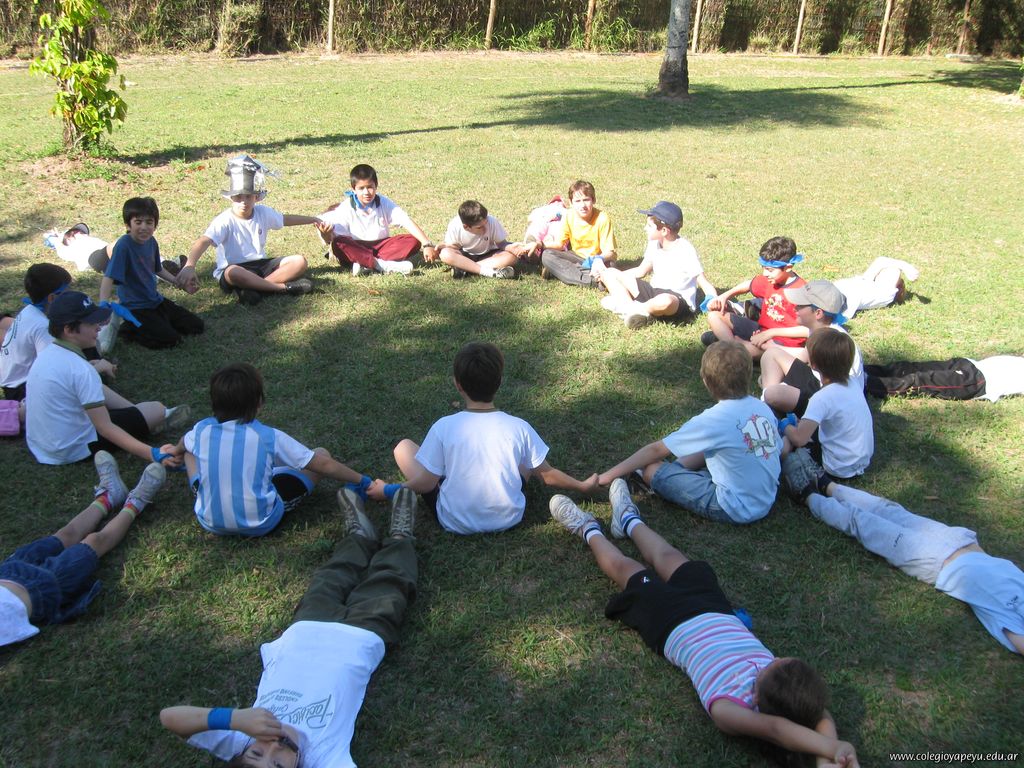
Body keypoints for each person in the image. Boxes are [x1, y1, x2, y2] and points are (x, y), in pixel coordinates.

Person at [547, 482, 860, 766]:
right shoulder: (787, 691)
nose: (773, 657)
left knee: (625, 568)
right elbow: (819, 715)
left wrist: (832, 750)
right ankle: (628, 520)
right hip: (715, 609)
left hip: (670, 623)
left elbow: (776, 729)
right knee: (668, 555)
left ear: (756, 700)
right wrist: (828, 755)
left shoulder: (730, 709)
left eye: (772, 664)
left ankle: (587, 528)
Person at [159, 487, 419, 767]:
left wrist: (236, 719)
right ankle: (400, 536)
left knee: (333, 575)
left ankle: (359, 536)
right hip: (363, 633)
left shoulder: (239, 737)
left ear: (241, 752)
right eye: (278, 765)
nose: (274, 747)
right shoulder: (324, 758)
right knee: (391, 579)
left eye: (256, 753)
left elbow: (170, 718)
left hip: (307, 627)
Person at [781, 451, 1024, 655]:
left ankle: (807, 496)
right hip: (961, 541)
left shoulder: (1012, 625)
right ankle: (826, 484)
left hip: (937, 562)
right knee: (886, 508)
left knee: (865, 525)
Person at [368, 341, 599, 534]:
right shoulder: (519, 427)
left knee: (403, 448)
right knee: (527, 460)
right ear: (499, 382)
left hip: (454, 521)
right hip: (508, 518)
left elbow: (426, 484)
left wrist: (387, 490)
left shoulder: (443, 427)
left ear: (458, 385)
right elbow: (548, 476)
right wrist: (582, 486)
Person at [176, 363, 381, 537]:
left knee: (188, 453)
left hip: (209, 520)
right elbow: (323, 464)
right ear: (259, 402)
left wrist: (175, 451)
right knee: (321, 453)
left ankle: (208, 490)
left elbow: (184, 442)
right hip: (260, 523)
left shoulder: (201, 430)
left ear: (214, 403)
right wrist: (363, 481)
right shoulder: (267, 436)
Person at [598, 341, 781, 525]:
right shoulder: (762, 408)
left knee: (652, 470)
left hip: (734, 507)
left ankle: (662, 476)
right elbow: (777, 449)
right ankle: (675, 471)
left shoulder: (715, 419)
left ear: (706, 381)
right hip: (765, 499)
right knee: (711, 446)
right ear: (749, 375)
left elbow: (656, 450)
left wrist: (606, 476)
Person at [1, 451, 166, 647]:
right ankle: (135, 503)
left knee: (65, 534)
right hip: (46, 588)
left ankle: (108, 496)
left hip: (9, 570)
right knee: (95, 541)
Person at [24, 291, 187, 466]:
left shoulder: (47, 353)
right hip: (72, 449)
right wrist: (153, 454)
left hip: (43, 445)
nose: (98, 327)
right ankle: (147, 418)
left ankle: (136, 413)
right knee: (157, 410)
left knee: (103, 390)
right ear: (69, 330)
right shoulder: (81, 370)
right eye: (91, 323)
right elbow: (105, 428)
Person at [177, 155, 318, 306]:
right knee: (233, 272)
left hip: (260, 265)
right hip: (234, 269)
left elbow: (285, 219)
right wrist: (190, 265)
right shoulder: (224, 220)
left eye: (248, 196)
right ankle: (283, 288)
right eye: (238, 197)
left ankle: (256, 289)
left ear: (256, 197)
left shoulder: (263, 212)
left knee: (299, 261)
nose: (243, 202)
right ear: (231, 198)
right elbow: (204, 240)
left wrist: (314, 219)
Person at [98, 196, 204, 349]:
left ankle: (155, 324)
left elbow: (157, 269)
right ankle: (129, 328)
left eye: (149, 222)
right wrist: (103, 303)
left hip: (155, 301)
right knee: (171, 340)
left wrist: (179, 283)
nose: (144, 227)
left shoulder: (151, 241)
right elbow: (109, 277)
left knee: (196, 326)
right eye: (138, 222)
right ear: (128, 224)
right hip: (135, 307)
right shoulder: (123, 246)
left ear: (155, 225)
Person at [598, 201, 717, 329]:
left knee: (665, 301)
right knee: (609, 273)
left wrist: (713, 298)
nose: (645, 228)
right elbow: (641, 271)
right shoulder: (654, 243)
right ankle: (633, 310)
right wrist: (612, 276)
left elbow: (703, 282)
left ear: (664, 231)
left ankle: (629, 308)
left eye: (649, 226)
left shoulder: (685, 250)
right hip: (653, 291)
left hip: (676, 300)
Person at [760, 280, 864, 417]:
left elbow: (836, 391)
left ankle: (767, 409)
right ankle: (768, 405)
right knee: (771, 354)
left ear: (818, 313)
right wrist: (773, 346)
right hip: (818, 382)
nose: (795, 308)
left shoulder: (830, 342)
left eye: (800, 305)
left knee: (773, 394)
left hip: (828, 396)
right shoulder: (818, 329)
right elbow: (804, 356)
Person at [781, 327, 873, 483]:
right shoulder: (853, 382)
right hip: (861, 460)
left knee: (789, 442)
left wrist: (784, 425)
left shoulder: (822, 397)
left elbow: (799, 439)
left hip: (837, 467)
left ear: (814, 365)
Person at [315, 163, 438, 276]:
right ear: (353, 189)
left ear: (376, 186)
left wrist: (426, 244)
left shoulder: (383, 202)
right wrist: (325, 234)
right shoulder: (346, 207)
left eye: (370, 187)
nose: (366, 192)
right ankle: (381, 265)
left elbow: (405, 220)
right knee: (338, 243)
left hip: (381, 246)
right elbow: (330, 239)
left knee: (413, 241)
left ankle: (365, 264)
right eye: (361, 188)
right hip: (357, 246)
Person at [704, 237, 808, 360]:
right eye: (763, 268)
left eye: (769, 270)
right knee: (714, 316)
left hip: (782, 342)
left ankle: (732, 346)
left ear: (788, 267)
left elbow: (807, 330)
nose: (765, 273)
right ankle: (734, 345)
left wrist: (770, 333)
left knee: (752, 350)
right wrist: (724, 296)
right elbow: (749, 284)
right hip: (760, 330)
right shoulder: (771, 280)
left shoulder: (801, 292)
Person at [539, 180, 617, 288]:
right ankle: (596, 280)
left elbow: (610, 253)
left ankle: (562, 273)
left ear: (593, 200)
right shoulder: (569, 215)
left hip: (597, 260)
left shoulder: (602, 218)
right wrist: (540, 244)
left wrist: (598, 260)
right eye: (578, 201)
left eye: (586, 200)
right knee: (547, 255)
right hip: (577, 256)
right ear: (571, 203)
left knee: (611, 267)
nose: (583, 205)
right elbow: (560, 244)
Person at [864, 355, 1024, 401]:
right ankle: (857, 370)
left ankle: (865, 383)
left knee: (921, 381)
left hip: (980, 381)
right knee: (907, 368)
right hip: (972, 364)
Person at [437, 200, 528, 279]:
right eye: (479, 227)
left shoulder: (492, 221)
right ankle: (488, 272)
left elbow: (501, 244)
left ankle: (465, 269)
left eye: (486, 223)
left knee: (511, 257)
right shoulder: (455, 225)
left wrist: (512, 248)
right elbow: (455, 246)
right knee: (445, 254)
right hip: (465, 255)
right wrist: (446, 246)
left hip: (488, 256)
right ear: (466, 227)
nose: (485, 228)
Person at [833, 256, 919, 319]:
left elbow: (884, 263)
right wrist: (907, 267)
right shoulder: (868, 281)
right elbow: (881, 261)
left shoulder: (886, 294)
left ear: (897, 288)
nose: (880, 272)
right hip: (834, 292)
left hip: (837, 297)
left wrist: (907, 268)